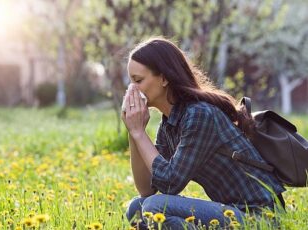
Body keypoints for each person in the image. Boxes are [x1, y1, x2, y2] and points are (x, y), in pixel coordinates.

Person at [121, 37, 285, 229]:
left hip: (260, 217)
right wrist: (133, 132)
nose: (131, 89)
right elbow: (146, 189)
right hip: (231, 211)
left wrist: (140, 132)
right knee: (137, 208)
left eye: (138, 80)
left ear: (164, 78)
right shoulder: (169, 124)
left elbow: (169, 184)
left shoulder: (198, 114)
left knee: (154, 207)